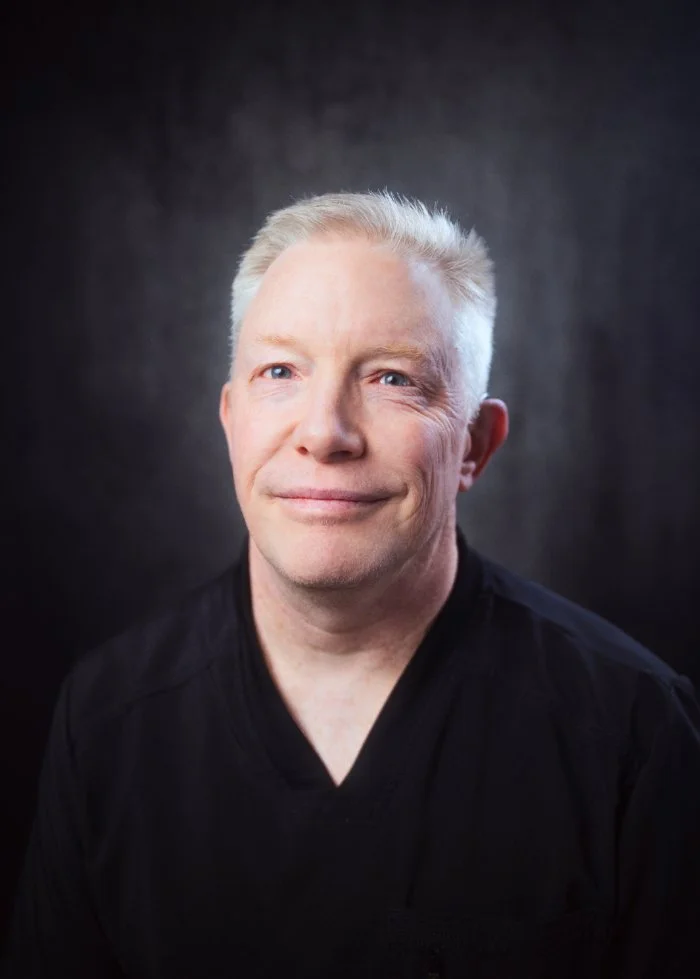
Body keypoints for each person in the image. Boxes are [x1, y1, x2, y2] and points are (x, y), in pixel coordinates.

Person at [2, 191, 699, 979]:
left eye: (393, 378)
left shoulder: (634, 732)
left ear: (475, 444)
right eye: (280, 370)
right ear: (232, 420)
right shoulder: (104, 719)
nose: (325, 431)